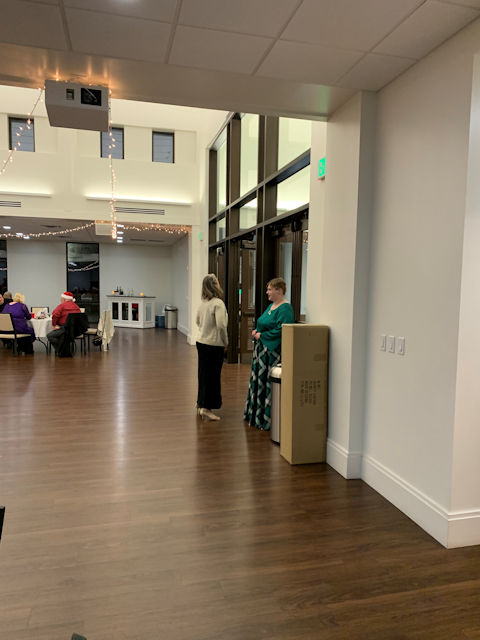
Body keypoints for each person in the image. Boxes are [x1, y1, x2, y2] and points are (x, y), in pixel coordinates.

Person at [244, 277, 294, 431]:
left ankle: (266, 418)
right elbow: (264, 323)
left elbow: (282, 329)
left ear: (279, 290)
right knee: (259, 381)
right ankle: (256, 415)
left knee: (267, 382)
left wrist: (262, 335)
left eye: (270, 289)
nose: (267, 292)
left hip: (272, 353)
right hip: (261, 352)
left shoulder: (285, 309)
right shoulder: (271, 306)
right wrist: (257, 331)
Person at [196, 274, 228, 421]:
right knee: (213, 377)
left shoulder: (203, 303)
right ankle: (206, 409)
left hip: (201, 342)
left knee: (203, 375)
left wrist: (205, 330)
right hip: (214, 344)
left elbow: (197, 321)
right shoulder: (218, 303)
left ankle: (200, 403)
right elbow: (221, 325)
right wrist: (225, 341)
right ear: (215, 285)